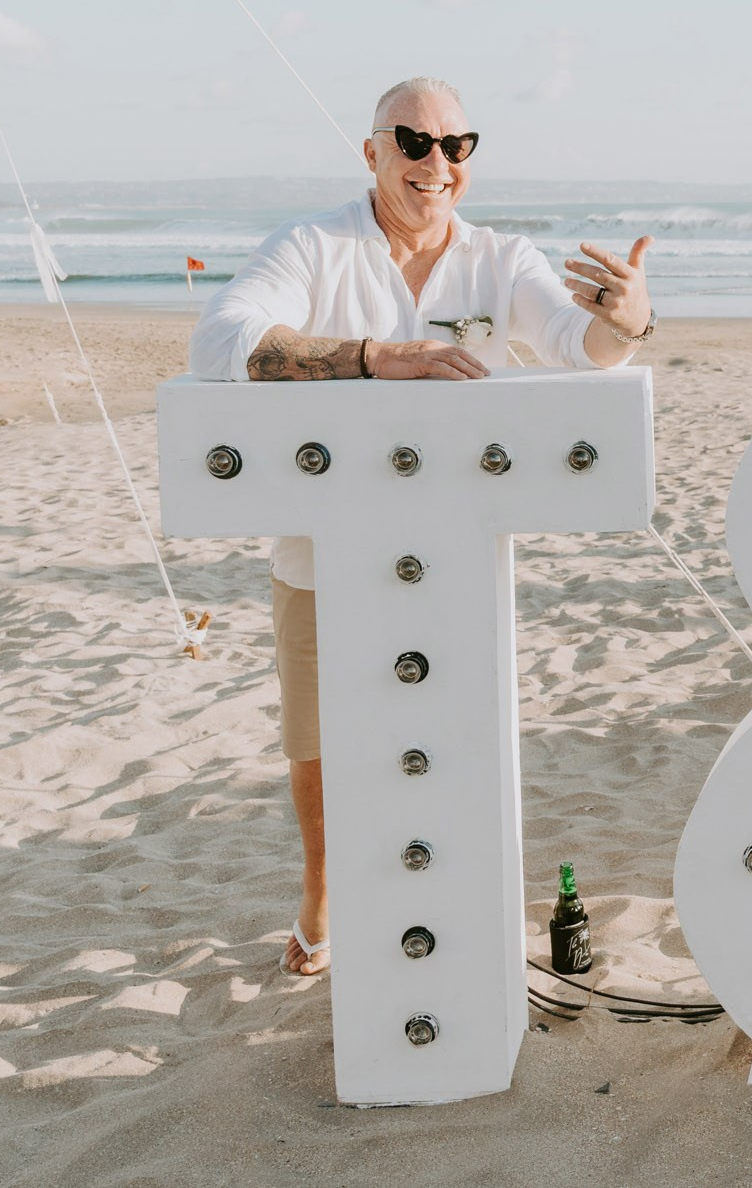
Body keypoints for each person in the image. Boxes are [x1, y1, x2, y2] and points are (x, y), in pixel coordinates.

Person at [187, 77, 658, 977]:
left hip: (456, 561)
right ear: (373, 152)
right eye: (413, 141)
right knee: (318, 742)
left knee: (454, 733)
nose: (435, 163)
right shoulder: (314, 246)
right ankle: (323, 885)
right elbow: (218, 342)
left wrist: (628, 322)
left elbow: (575, 344)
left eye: (456, 145)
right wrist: (373, 357)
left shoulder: (498, 257)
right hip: (319, 556)